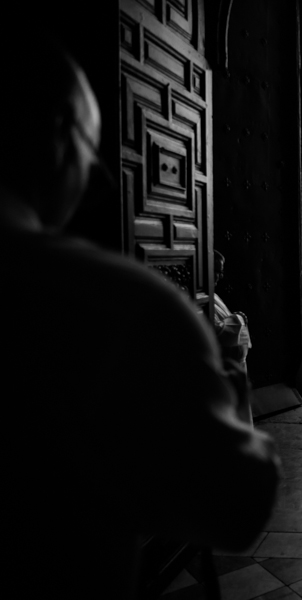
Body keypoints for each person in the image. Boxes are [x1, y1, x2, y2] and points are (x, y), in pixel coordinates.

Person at [0, 43, 280, 598]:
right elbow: (236, 504)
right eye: (89, 147)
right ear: (58, 133)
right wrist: (228, 369)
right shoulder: (118, 304)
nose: (100, 178)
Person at [213, 250, 252, 375]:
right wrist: (239, 318)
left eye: (221, 272)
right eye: (216, 271)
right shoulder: (200, 299)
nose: (220, 276)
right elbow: (217, 330)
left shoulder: (213, 295)